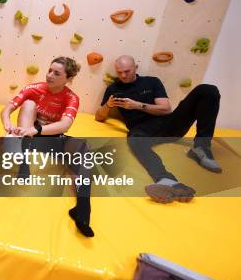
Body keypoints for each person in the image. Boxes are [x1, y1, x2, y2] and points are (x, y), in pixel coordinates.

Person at [95, 55, 221, 203]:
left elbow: (166, 109)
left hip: (168, 124)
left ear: (136, 68)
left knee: (207, 90)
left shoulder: (152, 82)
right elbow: (99, 117)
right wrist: (108, 105)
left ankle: (201, 147)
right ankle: (167, 180)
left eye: (127, 71)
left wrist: (137, 105)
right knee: (134, 140)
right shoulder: (113, 88)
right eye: (119, 72)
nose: (123, 75)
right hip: (141, 130)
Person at [0, 57, 95, 237]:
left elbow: (64, 126)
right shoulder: (33, 88)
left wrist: (36, 130)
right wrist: (7, 124)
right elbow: (6, 110)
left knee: (84, 150)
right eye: (50, 70)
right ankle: (24, 166)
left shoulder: (71, 98)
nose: (50, 75)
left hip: (47, 137)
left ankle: (82, 212)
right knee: (28, 104)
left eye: (56, 73)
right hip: (28, 138)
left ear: (68, 78)